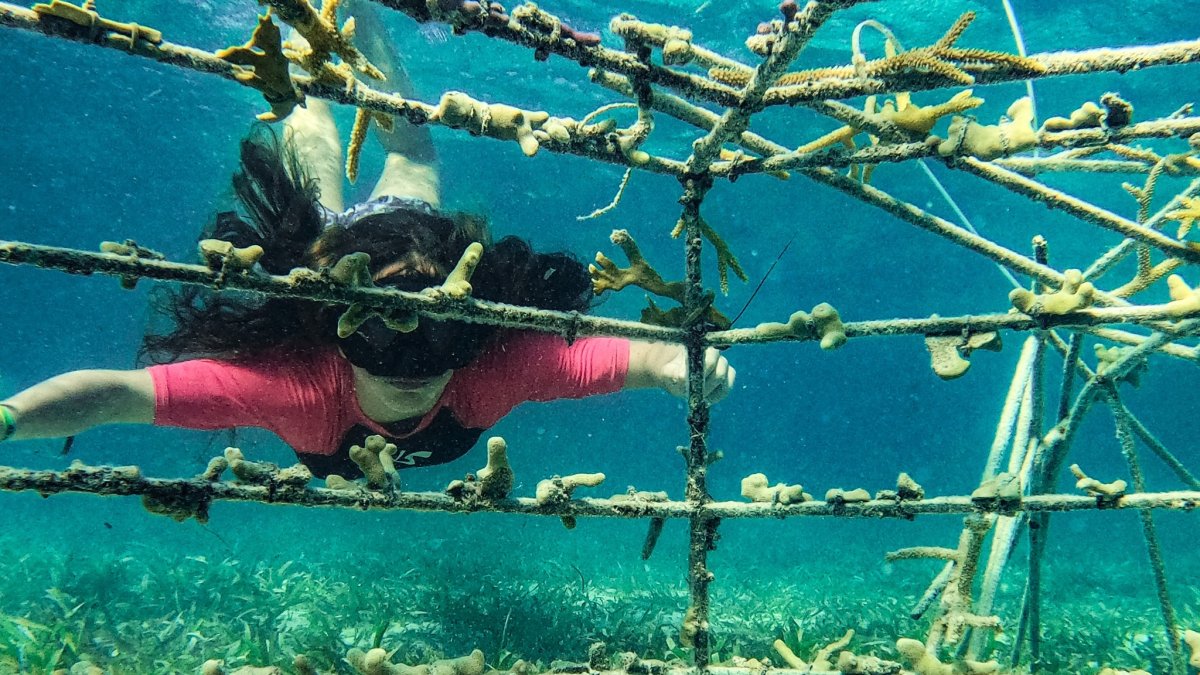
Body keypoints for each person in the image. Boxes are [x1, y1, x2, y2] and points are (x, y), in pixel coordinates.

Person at [0, 13, 735, 478]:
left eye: (436, 336)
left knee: (392, 162)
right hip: (343, 259)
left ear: (468, 331)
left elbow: (640, 359)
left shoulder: (490, 369)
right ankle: (316, 29)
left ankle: (352, 17)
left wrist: (679, 367)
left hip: (395, 249)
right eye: (384, 335)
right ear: (340, 339)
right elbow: (114, 395)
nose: (413, 365)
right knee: (372, 156)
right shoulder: (299, 385)